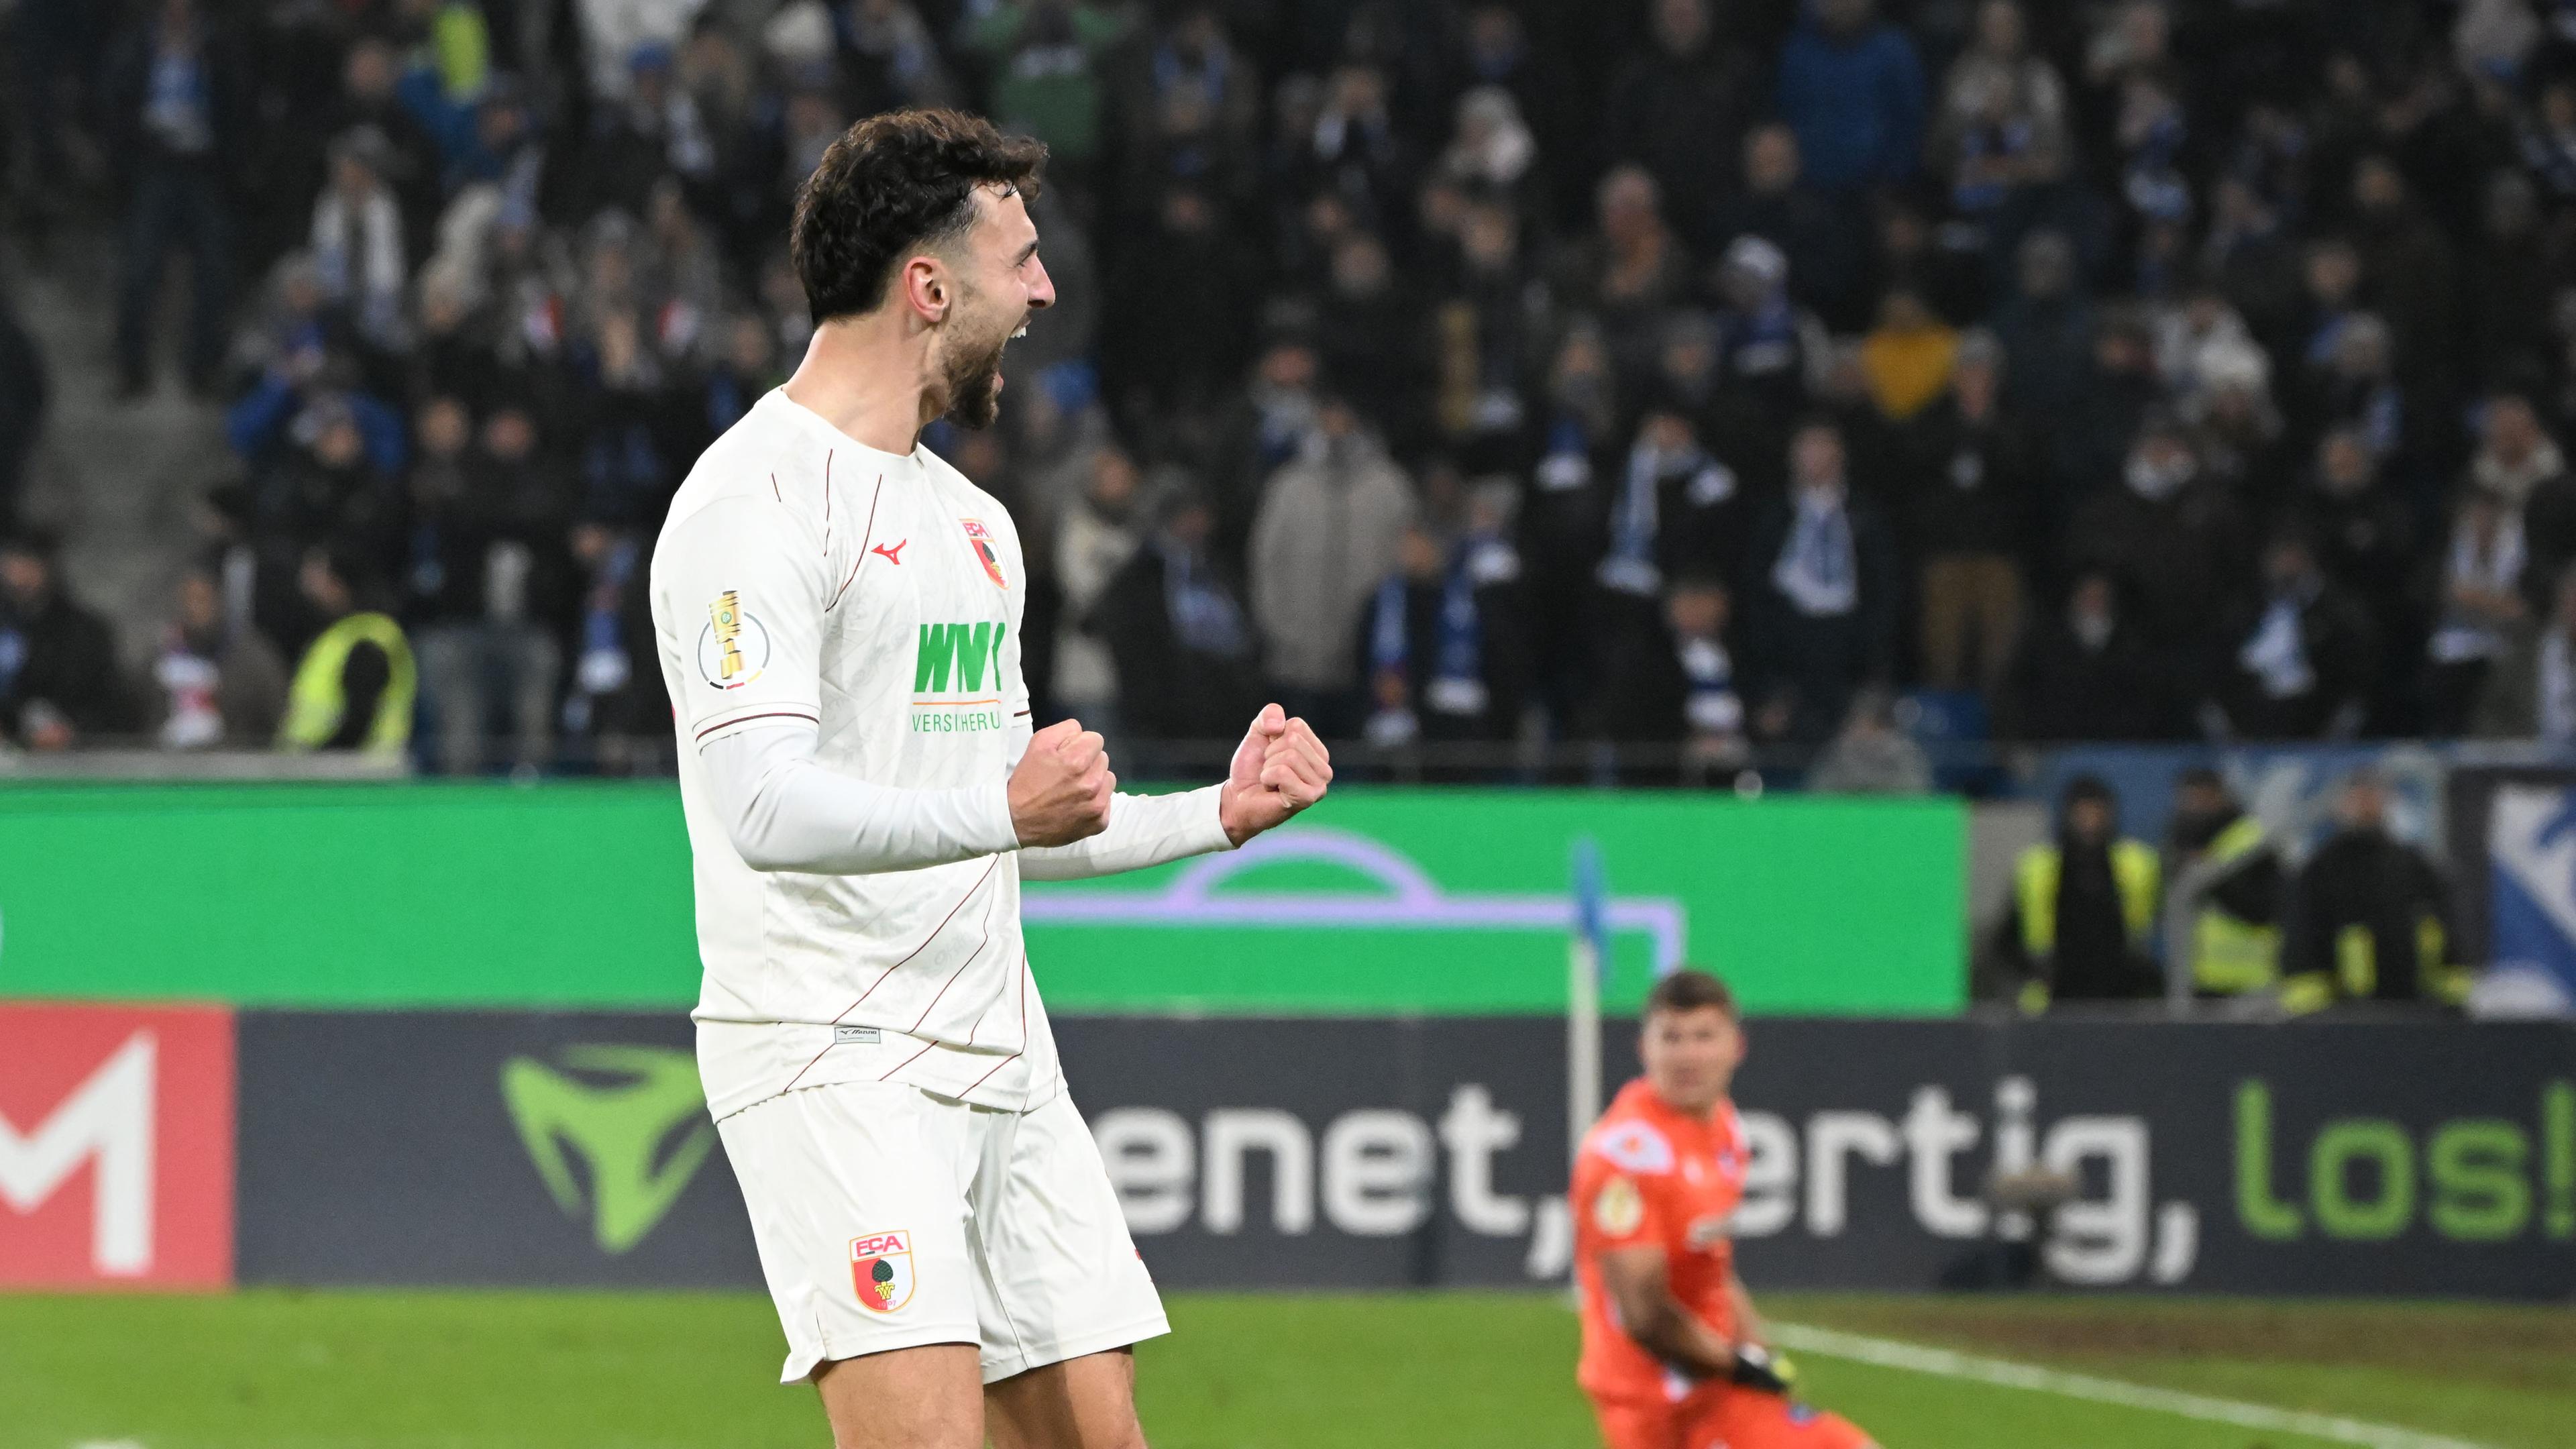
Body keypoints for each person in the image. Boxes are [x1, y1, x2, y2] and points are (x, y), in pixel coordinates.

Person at [642, 109, 1332, 1449]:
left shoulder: (976, 527)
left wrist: (1216, 816)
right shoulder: (753, 508)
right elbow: (763, 808)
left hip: (1003, 1056)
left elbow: (1010, 825)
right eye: (1021, 260)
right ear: (929, 286)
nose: (1045, 294)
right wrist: (999, 809)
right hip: (832, 1052)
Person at [1574, 969, 1878, 1449]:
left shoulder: (1726, 1129)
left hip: (1716, 1386)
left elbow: (1715, 1264)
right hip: (1653, 1403)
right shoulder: (1626, 1157)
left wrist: (1757, 1349)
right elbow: (1645, 1315)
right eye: (1671, 1038)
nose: (1687, 1055)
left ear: (1736, 1046)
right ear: (1643, 1048)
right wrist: (1738, 1364)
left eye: (1704, 1037)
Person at [2282, 771, 2469, 1014]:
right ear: (2340, 805)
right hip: (2344, 1013)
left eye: (2372, 796)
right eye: (2357, 797)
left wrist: (2451, 1001)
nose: (2365, 805)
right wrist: (2314, 1015)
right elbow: (2302, 940)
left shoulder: (2415, 865)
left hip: (2413, 1006)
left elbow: (2446, 932)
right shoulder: (2319, 870)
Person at [1998, 775, 2161, 1009]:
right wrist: (2035, 971)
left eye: (2097, 814)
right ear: (2068, 816)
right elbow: (2006, 940)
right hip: (2054, 995)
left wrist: (2143, 973)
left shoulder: (2138, 864)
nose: (2090, 824)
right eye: (2083, 815)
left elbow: (2157, 926)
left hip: (2122, 994)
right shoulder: (2038, 867)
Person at [277, 543, 414, 757]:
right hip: (334, 774)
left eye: (318, 574)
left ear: (339, 583)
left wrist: (314, 759)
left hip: (356, 776)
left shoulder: (369, 639)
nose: (307, 583)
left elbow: (359, 721)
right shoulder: (339, 635)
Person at [0, 533, 133, 749]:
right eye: (12, 564)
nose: (19, 574)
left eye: (27, 564)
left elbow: (111, 702)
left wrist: (73, 729)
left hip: (77, 757)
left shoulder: (84, 631)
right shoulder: (6, 625)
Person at [2164, 767, 2282, 999]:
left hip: (2252, 978)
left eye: (2204, 799)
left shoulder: (2252, 840)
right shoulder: (2178, 844)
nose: (2197, 808)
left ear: (2222, 797)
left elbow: (2265, 908)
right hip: (2194, 978)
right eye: (2190, 800)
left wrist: (2209, 878)